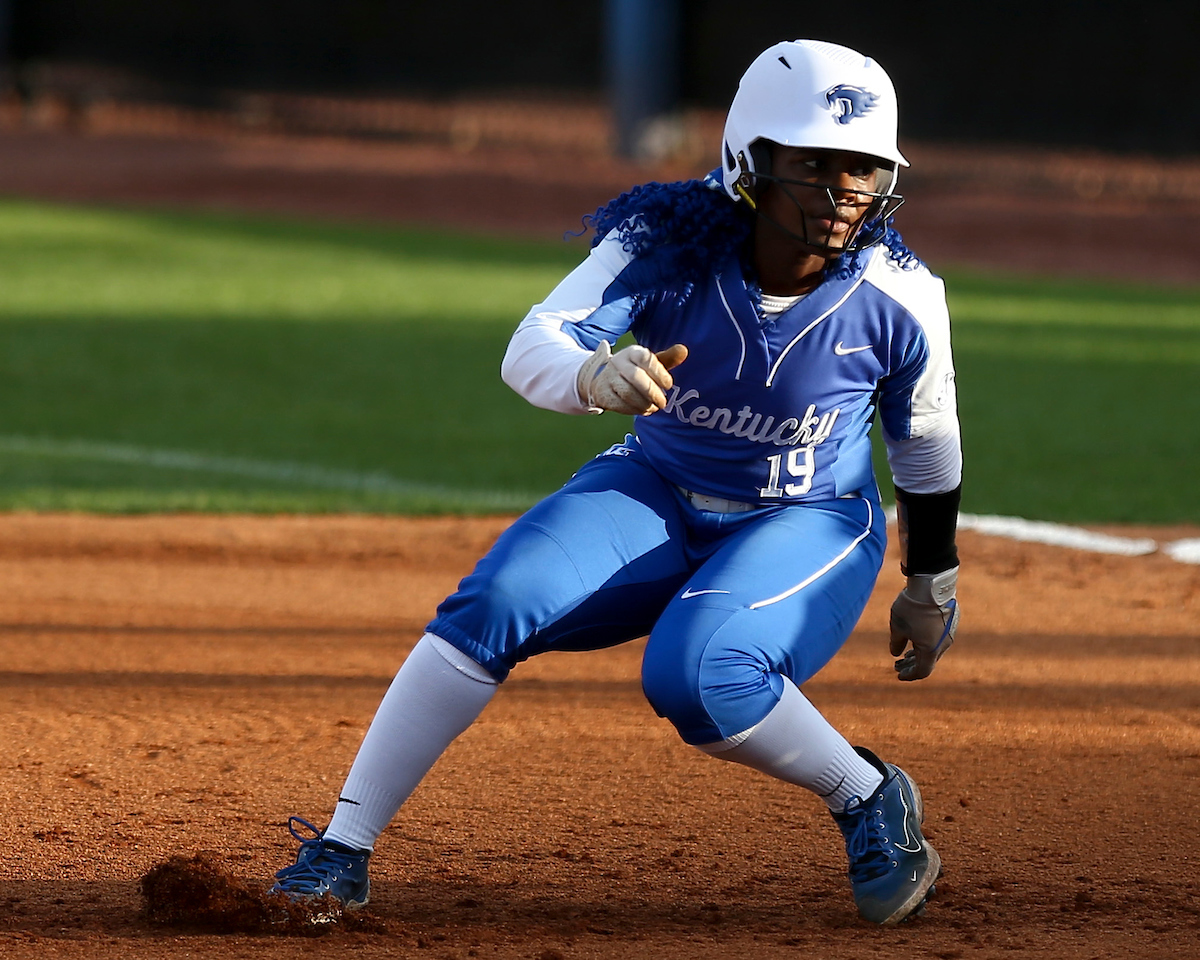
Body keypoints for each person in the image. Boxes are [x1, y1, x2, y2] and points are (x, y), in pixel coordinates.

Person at [271, 38, 962, 927]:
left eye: (865, 169)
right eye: (816, 164)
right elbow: (535, 343)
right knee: (493, 602)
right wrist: (593, 378)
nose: (844, 193)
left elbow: (926, 446)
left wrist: (930, 581)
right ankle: (342, 844)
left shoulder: (902, 294)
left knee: (698, 673)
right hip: (656, 487)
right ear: (748, 163)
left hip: (810, 517)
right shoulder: (665, 241)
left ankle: (868, 794)